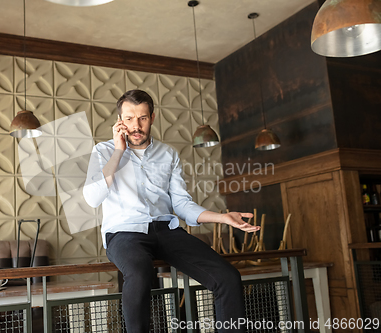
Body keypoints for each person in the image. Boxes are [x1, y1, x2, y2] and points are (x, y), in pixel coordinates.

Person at [83, 89, 259, 333]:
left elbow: (182, 205)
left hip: (167, 231)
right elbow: (92, 198)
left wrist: (222, 217)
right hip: (125, 233)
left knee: (228, 277)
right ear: (119, 122)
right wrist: (118, 151)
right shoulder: (104, 152)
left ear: (152, 118)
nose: (136, 125)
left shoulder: (168, 154)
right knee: (139, 273)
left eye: (142, 118)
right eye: (129, 119)